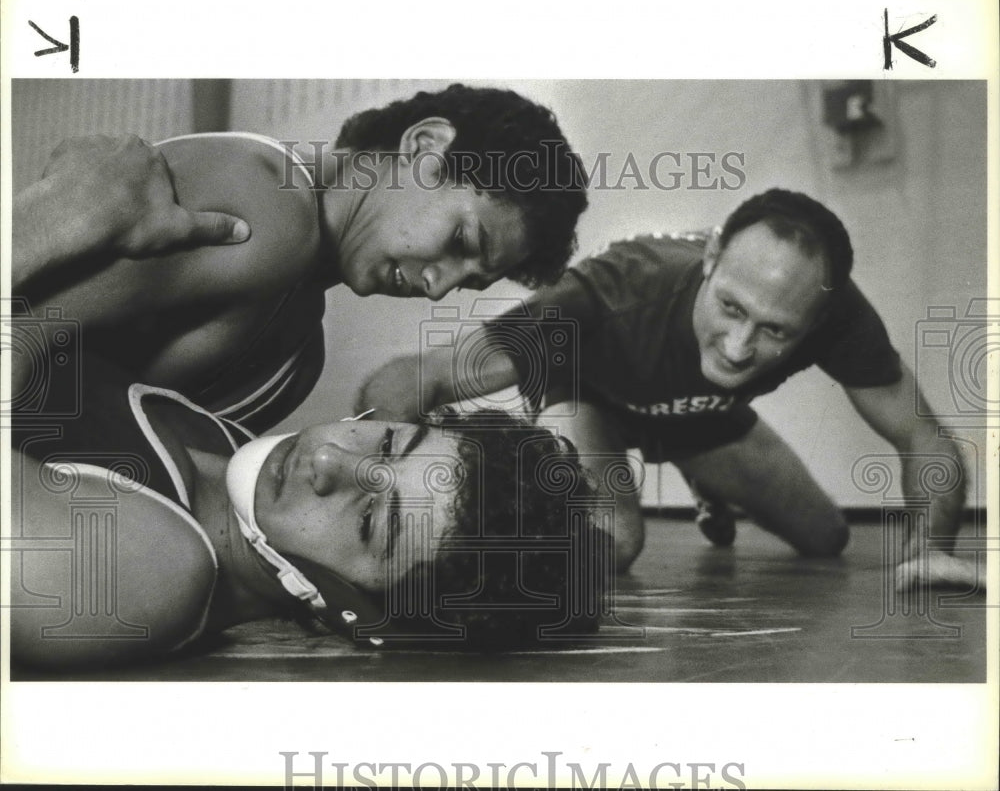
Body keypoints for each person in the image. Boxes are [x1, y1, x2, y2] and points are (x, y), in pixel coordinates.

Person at [7, 153, 607, 670]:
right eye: (387, 444)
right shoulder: (222, 436)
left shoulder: (157, 576)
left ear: (354, 608)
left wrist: (55, 216)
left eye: (369, 520)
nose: (327, 460)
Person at [356, 189, 982, 591]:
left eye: (774, 331)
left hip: (696, 416)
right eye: (730, 308)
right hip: (592, 399)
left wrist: (932, 549)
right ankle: (649, 470)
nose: (738, 347)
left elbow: (922, 435)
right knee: (612, 547)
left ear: (818, 319)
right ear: (711, 258)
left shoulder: (841, 318)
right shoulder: (609, 294)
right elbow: (419, 376)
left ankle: (697, 471)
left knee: (827, 536)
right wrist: (370, 477)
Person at [13, 84, 588, 432]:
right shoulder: (270, 206)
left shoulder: (299, 361)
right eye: (461, 242)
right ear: (424, 147)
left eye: (467, 283)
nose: (438, 288)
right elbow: (16, 336)